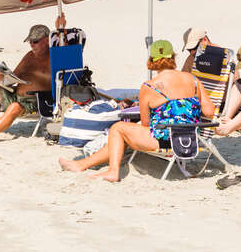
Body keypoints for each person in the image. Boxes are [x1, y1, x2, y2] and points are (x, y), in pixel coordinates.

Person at [58, 40, 215, 182]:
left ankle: (113, 171)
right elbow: (209, 112)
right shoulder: (193, 79)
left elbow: (146, 123)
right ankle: (80, 164)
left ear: (152, 60)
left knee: (118, 129)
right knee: (123, 136)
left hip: (165, 140)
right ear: (173, 57)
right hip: (190, 138)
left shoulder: (150, 86)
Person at [0, 20, 60, 144]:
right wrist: (1, 78)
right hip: (15, 95)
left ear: (47, 40)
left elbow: (64, 43)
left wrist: (60, 26)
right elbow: (13, 78)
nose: (32, 45)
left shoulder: (55, 59)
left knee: (14, 107)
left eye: (35, 42)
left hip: (35, 103)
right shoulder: (29, 57)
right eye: (30, 42)